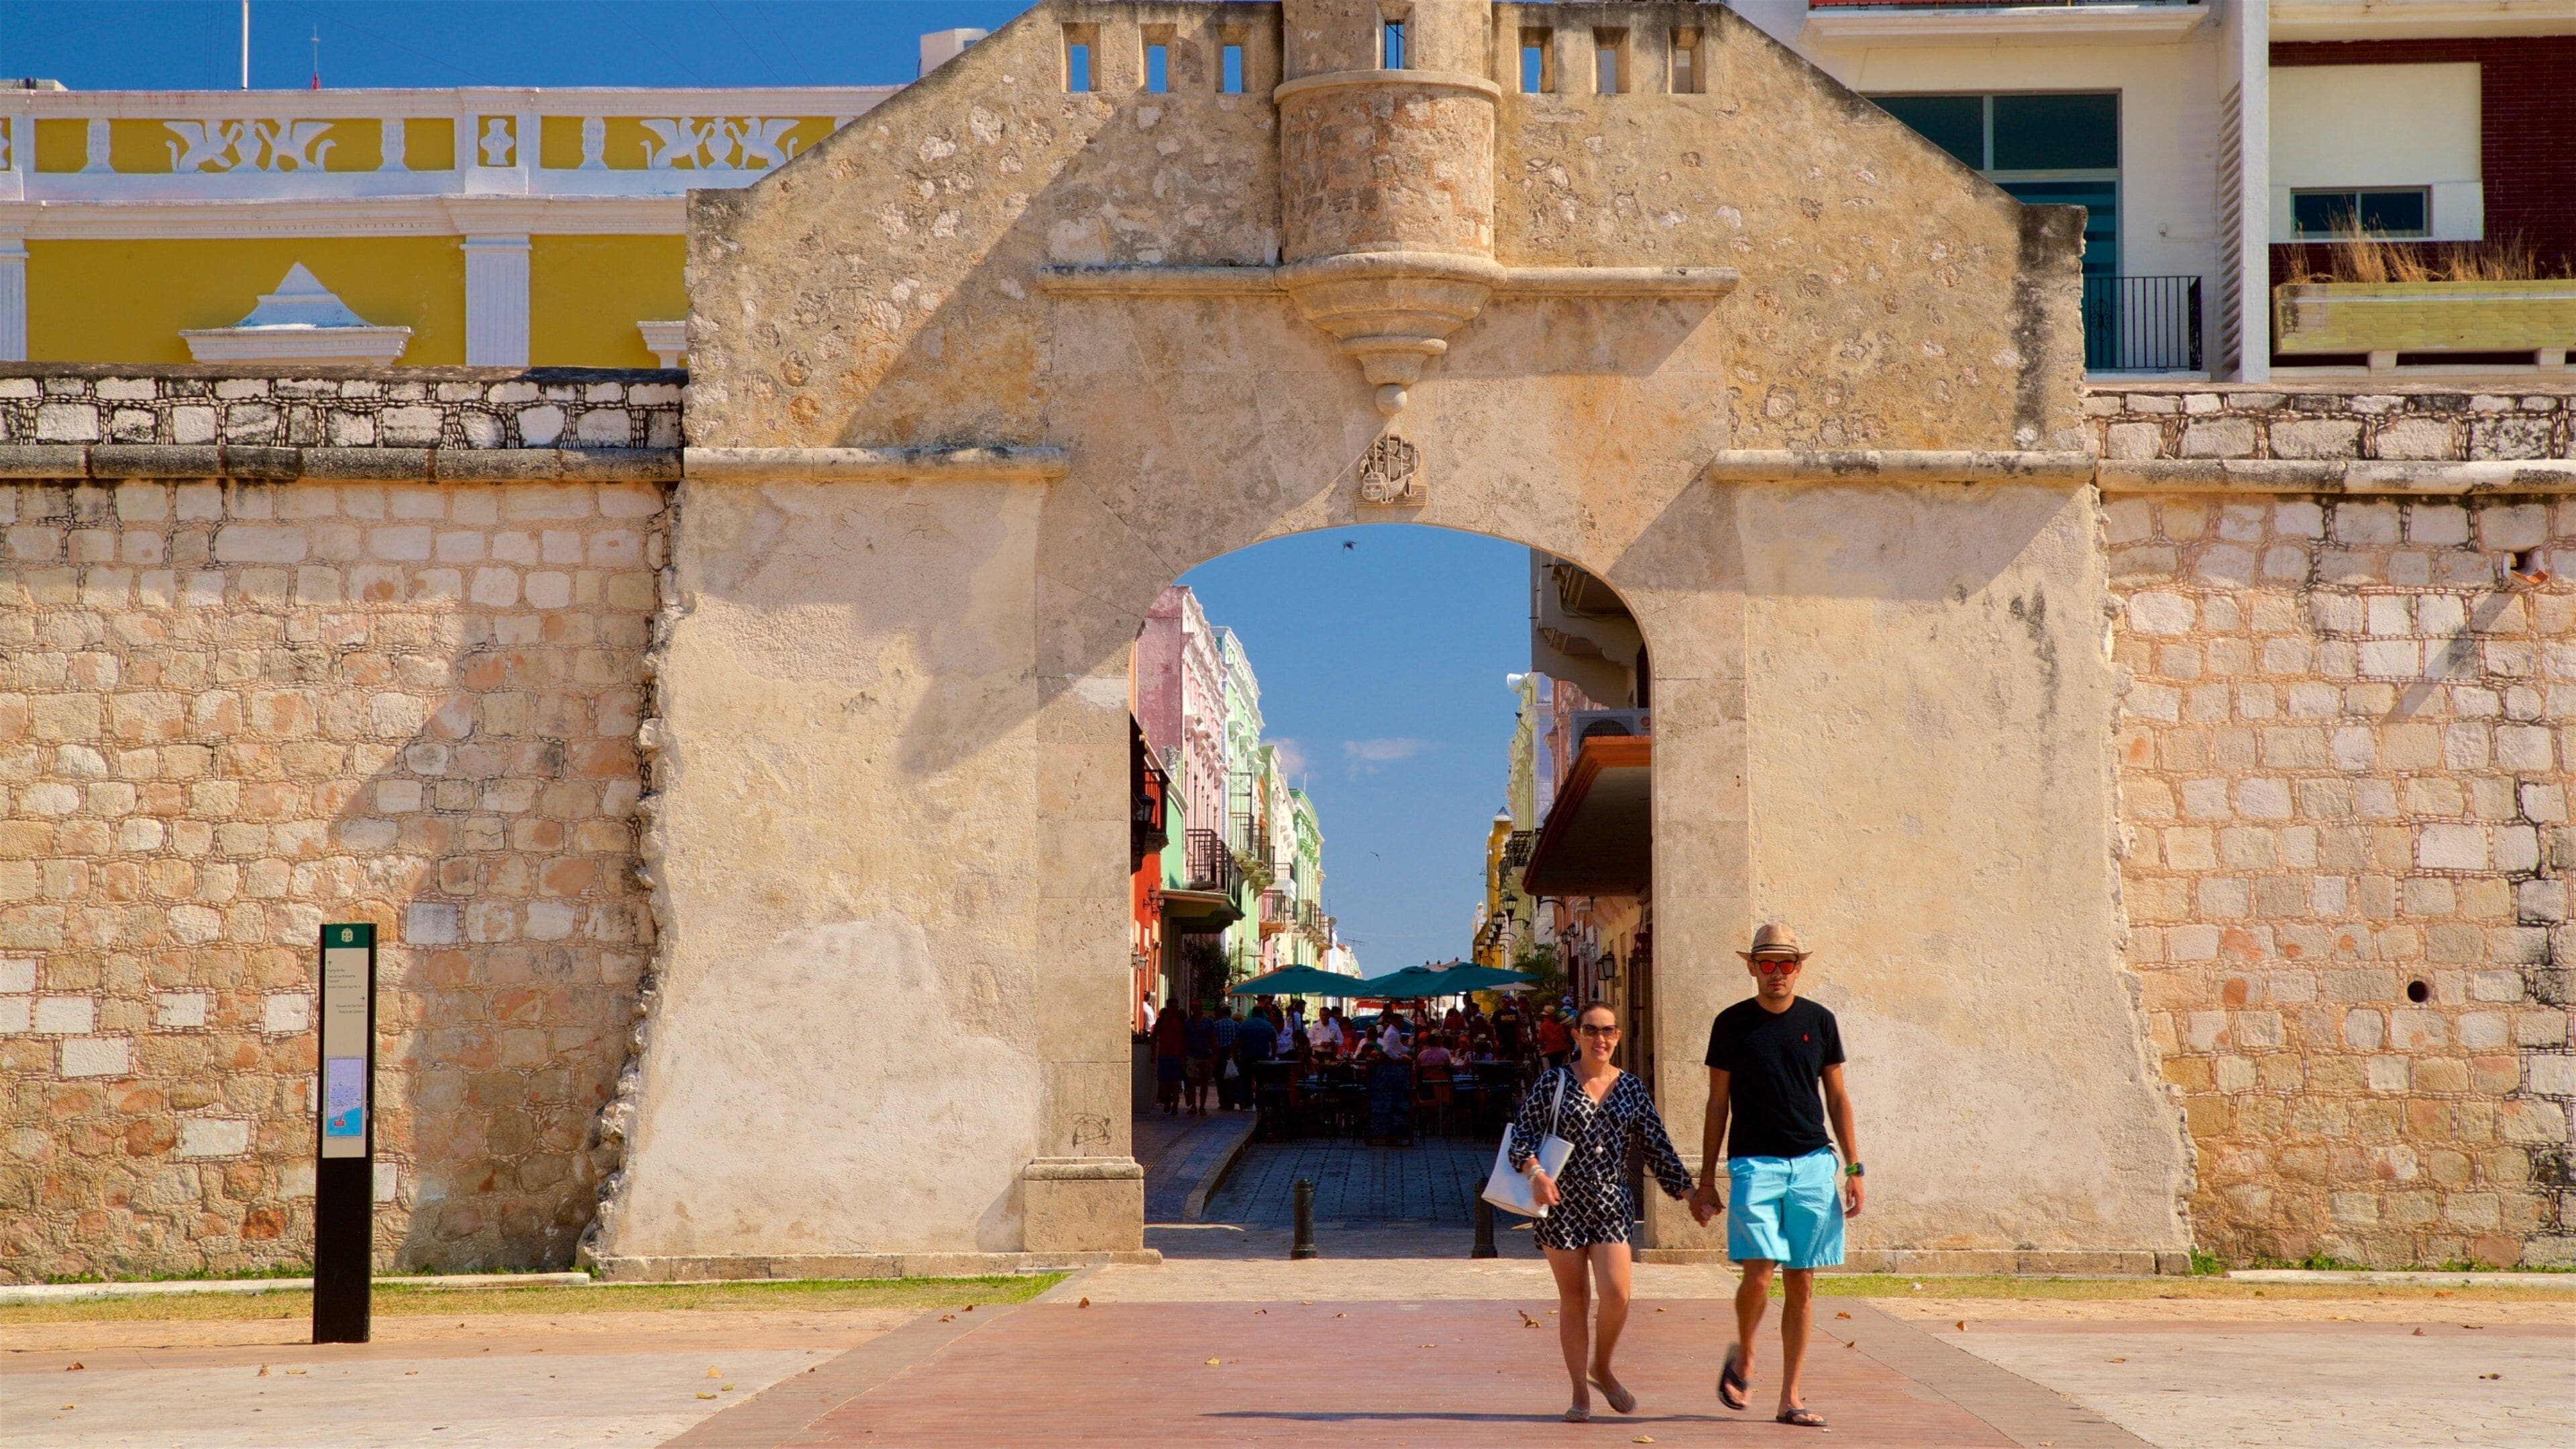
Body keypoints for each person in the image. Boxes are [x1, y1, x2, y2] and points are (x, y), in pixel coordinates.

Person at [1688, 923, 1862, 1432]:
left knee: (1802, 1282)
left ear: (1798, 968)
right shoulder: (1731, 1024)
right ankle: (1744, 1354)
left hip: (1812, 1162)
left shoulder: (1820, 1021)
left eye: (1786, 964)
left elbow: (1837, 1098)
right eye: (1767, 964)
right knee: (1759, 1273)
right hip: (1753, 1164)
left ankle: (1790, 1397)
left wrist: (1853, 1167)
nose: (1777, 974)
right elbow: (1717, 1104)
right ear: (1751, 967)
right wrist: (1706, 1181)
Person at [1512, 1003, 1695, 1424]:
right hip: (1560, 1203)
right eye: (1591, 1030)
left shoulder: (1630, 1088)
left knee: (1618, 1293)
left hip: (1611, 1200)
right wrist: (1536, 1172)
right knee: (1575, 1300)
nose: (1601, 1039)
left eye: (1609, 1031)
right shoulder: (1553, 1083)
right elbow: (1522, 1136)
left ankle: (1602, 1366)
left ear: (1618, 1035)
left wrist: (1688, 1192)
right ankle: (1580, 1393)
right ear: (1576, 1035)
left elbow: (1656, 1144)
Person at [1150, 996, 1188, 1116]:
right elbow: (1154, 1036)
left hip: (1177, 1055)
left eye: (1176, 1007)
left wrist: (1184, 1055)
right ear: (1168, 1007)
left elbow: (1185, 1038)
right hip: (1164, 1055)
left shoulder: (1181, 1021)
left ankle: (1175, 1106)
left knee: (1175, 1081)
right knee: (1164, 1082)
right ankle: (1167, 1100)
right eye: (1173, 1007)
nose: (1175, 1009)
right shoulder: (1161, 1021)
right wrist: (1153, 1053)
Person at [1183, 1003, 1218, 1116]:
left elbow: (1213, 1038)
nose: (1197, 1010)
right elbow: (1184, 1040)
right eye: (1194, 1008)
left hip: (1205, 1054)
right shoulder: (1188, 1024)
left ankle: (1202, 1106)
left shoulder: (1208, 1023)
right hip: (1191, 1054)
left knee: (1204, 1082)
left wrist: (1215, 1053)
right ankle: (1194, 1105)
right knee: (1191, 1081)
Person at [1213, 1004, 1244, 1110]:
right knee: (1232, 1077)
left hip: (1220, 1052)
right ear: (1230, 1014)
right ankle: (1232, 1100)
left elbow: (1214, 1040)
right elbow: (1239, 1040)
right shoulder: (1236, 1025)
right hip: (1232, 1052)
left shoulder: (1216, 1025)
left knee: (1220, 1078)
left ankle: (1223, 1101)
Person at [1537, 1004, 1572, 1070]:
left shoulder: (1543, 1025)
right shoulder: (1559, 1024)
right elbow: (1564, 1037)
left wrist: (1543, 1047)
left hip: (1551, 1050)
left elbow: (1541, 1039)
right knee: (1561, 1067)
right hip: (1562, 1049)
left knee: (1554, 1068)